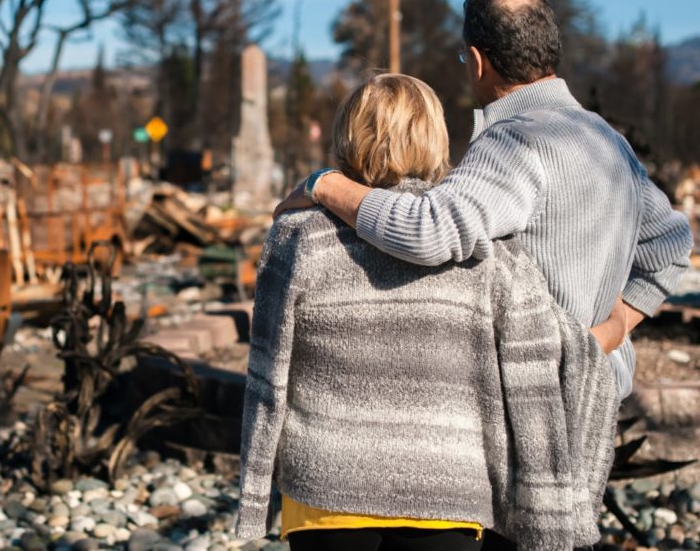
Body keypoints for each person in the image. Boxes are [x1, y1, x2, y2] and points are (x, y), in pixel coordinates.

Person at [236, 74, 621, 551]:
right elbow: (542, 358)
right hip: (450, 491)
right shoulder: (488, 253)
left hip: (324, 488)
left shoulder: (297, 236)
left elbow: (266, 376)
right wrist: (615, 328)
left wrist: (253, 497)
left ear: (347, 137)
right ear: (436, 139)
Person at [274, 0, 694, 402]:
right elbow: (671, 245)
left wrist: (323, 184)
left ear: (477, 61)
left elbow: (426, 231)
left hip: (537, 401)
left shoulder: (515, 140)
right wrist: (616, 325)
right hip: (600, 390)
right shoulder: (607, 140)